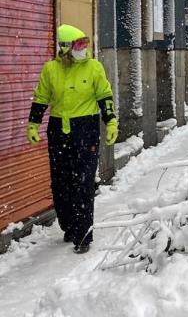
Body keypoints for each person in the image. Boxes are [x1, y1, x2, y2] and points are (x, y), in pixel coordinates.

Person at [25, 24, 118, 254]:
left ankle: (84, 234)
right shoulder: (50, 70)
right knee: (61, 184)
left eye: (85, 43)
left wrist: (111, 121)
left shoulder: (94, 68)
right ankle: (69, 225)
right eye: (78, 44)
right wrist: (34, 123)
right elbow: (41, 97)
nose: (83, 49)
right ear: (65, 48)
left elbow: (104, 95)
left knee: (84, 182)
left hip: (85, 130)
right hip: (58, 131)